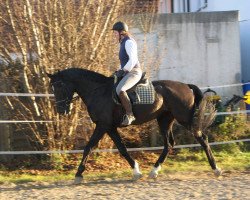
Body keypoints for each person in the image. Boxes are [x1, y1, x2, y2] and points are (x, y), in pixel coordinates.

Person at [112, 21, 142, 126]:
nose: (114, 35)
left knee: (120, 89)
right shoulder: (123, 43)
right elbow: (125, 61)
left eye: (115, 33)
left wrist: (123, 70)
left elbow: (133, 60)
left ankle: (130, 115)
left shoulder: (129, 42)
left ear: (121, 32)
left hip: (134, 72)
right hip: (128, 71)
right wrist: (118, 70)